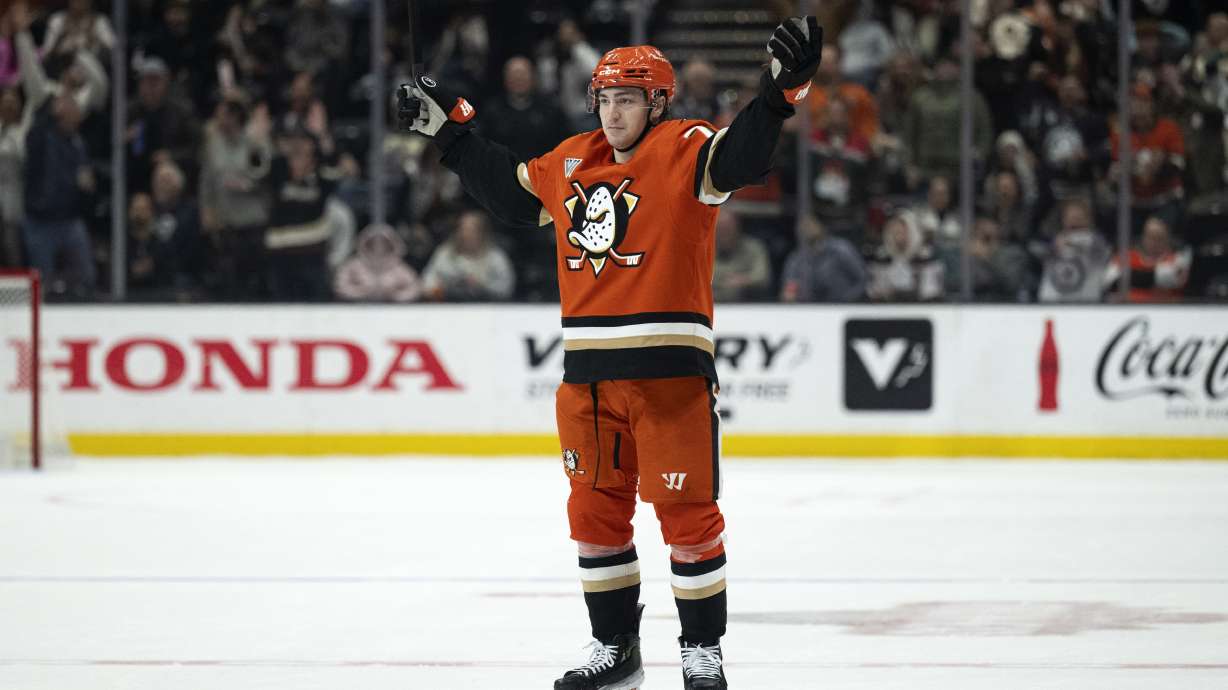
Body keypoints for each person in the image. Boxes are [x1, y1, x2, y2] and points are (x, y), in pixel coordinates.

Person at [398, 15, 825, 690]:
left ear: (658, 102)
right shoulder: (572, 159)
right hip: (587, 381)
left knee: (687, 519)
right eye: (604, 98)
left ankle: (701, 649)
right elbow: (511, 194)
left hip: (670, 380)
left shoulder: (687, 149)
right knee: (594, 518)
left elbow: (742, 156)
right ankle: (615, 649)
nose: (613, 110)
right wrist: (451, 133)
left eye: (628, 98)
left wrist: (779, 94)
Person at [420, 210, 514, 301]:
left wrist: (480, 286)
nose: (465, 234)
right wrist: (441, 288)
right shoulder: (444, 253)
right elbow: (428, 281)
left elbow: (505, 288)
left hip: (486, 308)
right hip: (447, 306)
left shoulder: (496, 258)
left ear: (481, 233)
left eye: (471, 230)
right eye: (462, 229)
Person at [780, 215, 866, 302]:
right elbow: (790, 288)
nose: (806, 228)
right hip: (812, 310)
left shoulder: (841, 249)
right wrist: (790, 295)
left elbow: (862, 279)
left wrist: (848, 300)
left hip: (843, 308)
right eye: (802, 225)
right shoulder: (796, 259)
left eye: (810, 223)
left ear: (820, 226)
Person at [1104, 215, 1190, 302]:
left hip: (1165, 311)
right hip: (1129, 309)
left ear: (1167, 238)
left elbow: (1173, 279)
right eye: (1151, 237)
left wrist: (1130, 276)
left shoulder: (1177, 260)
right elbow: (1110, 281)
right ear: (1143, 237)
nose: (1154, 242)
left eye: (1159, 238)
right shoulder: (1124, 257)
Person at [866, 211, 944, 302]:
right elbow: (874, 290)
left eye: (902, 231)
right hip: (888, 309)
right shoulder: (882, 258)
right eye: (894, 231)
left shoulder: (926, 257)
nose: (898, 235)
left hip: (921, 309)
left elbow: (932, 291)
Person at [334, 223, 423, 302]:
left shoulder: (399, 268)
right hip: (356, 309)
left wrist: (396, 296)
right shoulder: (354, 266)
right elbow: (340, 285)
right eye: (373, 244)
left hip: (393, 311)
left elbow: (415, 288)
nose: (379, 248)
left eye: (384, 244)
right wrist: (360, 293)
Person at [711, 211, 771, 302]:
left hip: (747, 304)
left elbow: (762, 277)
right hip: (713, 304)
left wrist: (743, 280)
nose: (724, 234)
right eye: (720, 229)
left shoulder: (754, 248)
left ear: (738, 228)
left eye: (728, 229)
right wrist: (724, 281)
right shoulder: (704, 251)